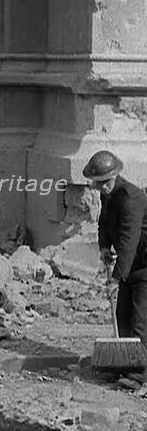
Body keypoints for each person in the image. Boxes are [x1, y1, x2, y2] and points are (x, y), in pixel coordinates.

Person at [84, 150, 147, 365]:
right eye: (97, 183)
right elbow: (104, 221)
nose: (100, 188)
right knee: (123, 321)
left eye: (104, 183)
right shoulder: (108, 193)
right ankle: (126, 366)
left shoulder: (132, 199)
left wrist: (116, 279)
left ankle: (141, 374)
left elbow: (129, 243)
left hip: (143, 266)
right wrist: (104, 246)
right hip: (129, 266)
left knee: (140, 324)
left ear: (114, 176)